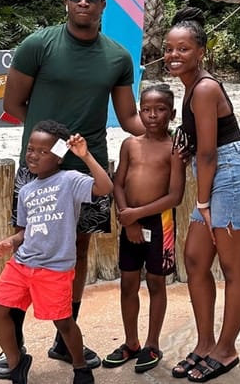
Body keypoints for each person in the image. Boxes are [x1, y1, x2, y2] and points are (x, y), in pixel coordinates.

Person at [0, 0, 145, 378]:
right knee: (30, 247)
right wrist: (50, 147)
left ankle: (65, 338)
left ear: (102, 5)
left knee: (77, 251)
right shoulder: (37, 45)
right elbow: (14, 103)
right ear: (65, 0)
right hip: (40, 169)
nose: (83, 2)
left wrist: (166, 133)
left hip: (88, 167)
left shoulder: (117, 56)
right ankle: (15, 342)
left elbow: (129, 116)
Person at [164, 7, 240, 382]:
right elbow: (202, 148)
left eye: (183, 49)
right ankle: (205, 343)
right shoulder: (193, 88)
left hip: (233, 178)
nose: (174, 55)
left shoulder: (204, 88)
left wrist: (202, 202)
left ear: (201, 52)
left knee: (232, 268)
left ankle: (226, 350)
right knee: (194, 259)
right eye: (169, 49)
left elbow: (211, 152)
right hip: (215, 177)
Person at [0, 120, 113, 384]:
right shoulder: (27, 191)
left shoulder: (69, 180)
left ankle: (80, 368)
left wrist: (85, 155)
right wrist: (11, 241)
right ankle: (16, 362)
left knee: (63, 322)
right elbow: (25, 230)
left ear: (58, 156)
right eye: (30, 149)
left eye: (43, 151)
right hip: (22, 264)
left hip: (54, 268)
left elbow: (105, 188)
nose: (33, 155)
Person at [102, 84, 186, 373]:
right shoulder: (130, 144)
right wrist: (129, 219)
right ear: (140, 112)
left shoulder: (174, 149)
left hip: (159, 222)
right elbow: (118, 182)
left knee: (155, 282)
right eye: (147, 110)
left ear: (171, 113)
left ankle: (152, 343)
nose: (153, 115)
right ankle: (131, 342)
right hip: (130, 222)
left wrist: (136, 214)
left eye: (160, 110)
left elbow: (175, 196)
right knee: (127, 282)